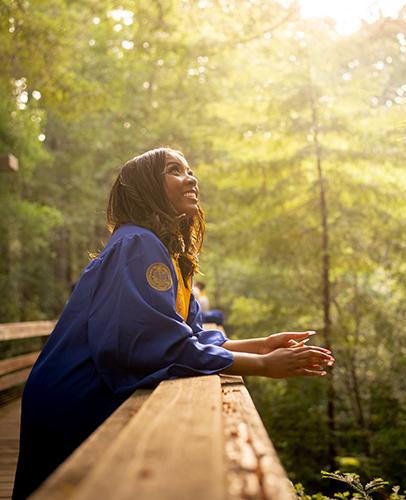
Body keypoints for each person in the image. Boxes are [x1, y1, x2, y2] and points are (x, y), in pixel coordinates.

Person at [13, 147, 334, 499]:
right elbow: (153, 345)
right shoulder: (137, 244)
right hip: (75, 396)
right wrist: (261, 365)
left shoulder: (168, 254)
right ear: (147, 186)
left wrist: (261, 344)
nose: (191, 177)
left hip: (90, 391)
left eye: (190, 170)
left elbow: (189, 335)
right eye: (174, 170)